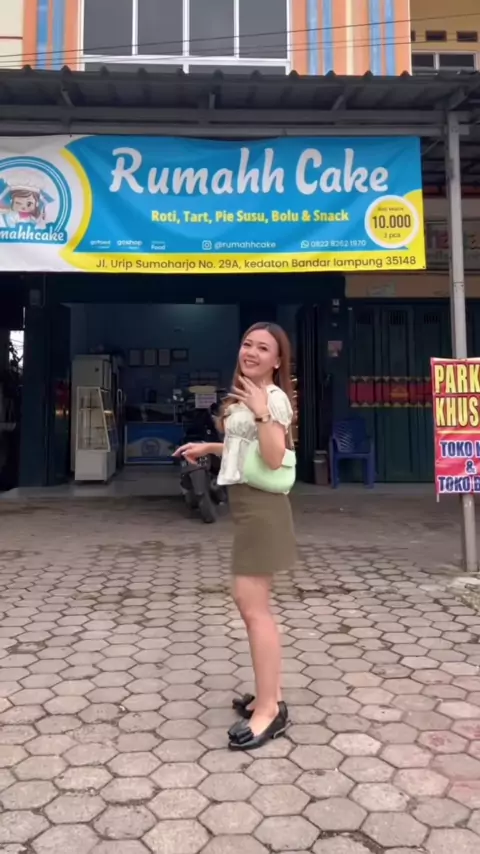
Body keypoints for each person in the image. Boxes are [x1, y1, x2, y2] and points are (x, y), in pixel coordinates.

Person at [173, 322, 296, 750]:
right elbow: (248, 449)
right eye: (247, 344)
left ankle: (270, 713)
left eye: (264, 348)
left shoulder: (271, 398)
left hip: (263, 510)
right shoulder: (246, 394)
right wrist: (208, 448)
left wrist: (262, 411)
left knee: (253, 609)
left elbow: (274, 457)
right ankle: (268, 696)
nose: (252, 352)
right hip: (249, 507)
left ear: (277, 361)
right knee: (252, 608)